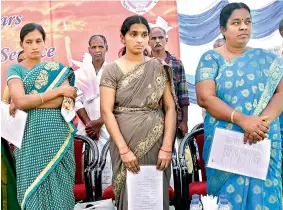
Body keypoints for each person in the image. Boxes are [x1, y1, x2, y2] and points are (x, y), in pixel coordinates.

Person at [195, 3, 283, 209]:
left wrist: (261, 124)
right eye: (236, 23)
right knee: (228, 199)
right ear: (223, 29)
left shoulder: (269, 61)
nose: (243, 27)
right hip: (228, 146)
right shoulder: (211, 58)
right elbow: (205, 98)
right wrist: (243, 120)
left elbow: (281, 93)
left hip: (262, 138)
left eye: (247, 22)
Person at [100, 15, 178, 210]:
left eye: (144, 35)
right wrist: (124, 150)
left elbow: (170, 108)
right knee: (129, 198)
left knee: (154, 198)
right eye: (133, 34)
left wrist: (167, 146)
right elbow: (106, 111)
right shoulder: (111, 70)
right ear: (122, 37)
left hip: (157, 143)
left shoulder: (159, 67)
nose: (140, 39)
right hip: (124, 143)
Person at [6, 23, 77, 209]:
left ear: (44, 42)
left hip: (58, 137)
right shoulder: (15, 70)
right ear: (21, 44)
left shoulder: (56, 69)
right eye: (29, 42)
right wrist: (57, 91)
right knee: (32, 192)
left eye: (38, 41)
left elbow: (66, 102)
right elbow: (20, 101)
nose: (34, 46)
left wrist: (30, 102)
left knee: (61, 193)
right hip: (30, 139)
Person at [74, 34, 112, 190]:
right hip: (86, 129)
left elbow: (118, 101)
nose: (97, 50)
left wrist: (100, 122)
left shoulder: (114, 71)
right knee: (88, 166)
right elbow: (75, 100)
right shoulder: (79, 74)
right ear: (89, 50)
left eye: (100, 47)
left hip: (109, 126)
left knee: (110, 164)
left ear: (106, 48)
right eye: (94, 47)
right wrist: (90, 124)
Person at [148, 26, 189, 137]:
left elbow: (183, 95)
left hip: (175, 119)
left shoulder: (176, 63)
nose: (157, 41)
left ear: (166, 40)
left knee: (173, 152)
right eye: (153, 38)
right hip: (150, 120)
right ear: (148, 41)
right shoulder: (144, 63)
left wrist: (185, 121)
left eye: (160, 37)